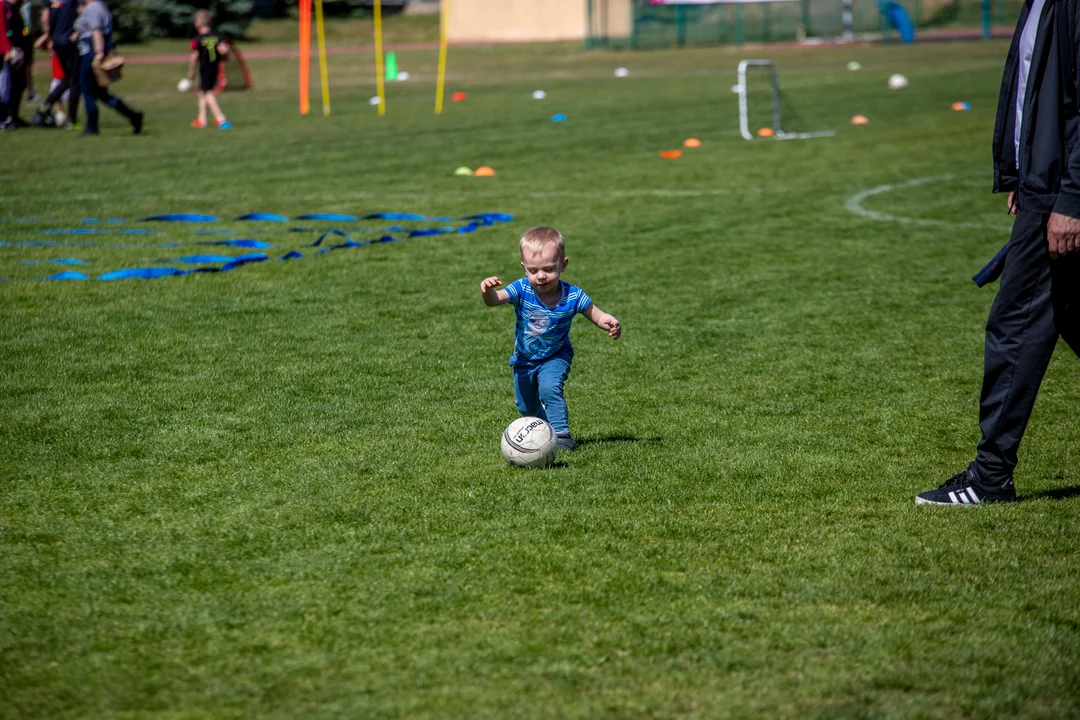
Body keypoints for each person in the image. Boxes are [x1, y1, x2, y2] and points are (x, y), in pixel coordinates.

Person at [916, 0, 1080, 506]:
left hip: (1060, 194)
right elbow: (1033, 93)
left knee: (1015, 324)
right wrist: (1020, 172)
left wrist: (1071, 197)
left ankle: (990, 475)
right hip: (1043, 186)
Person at [480, 226, 621, 450]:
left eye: (548, 269)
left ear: (563, 265)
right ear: (524, 268)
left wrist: (609, 322)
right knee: (525, 406)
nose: (541, 276)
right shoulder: (521, 289)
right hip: (524, 359)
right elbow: (494, 300)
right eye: (534, 270)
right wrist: (487, 291)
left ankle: (562, 436)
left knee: (549, 388)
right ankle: (545, 433)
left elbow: (595, 313)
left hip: (556, 355)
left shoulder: (573, 295)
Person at [74, 0, 142, 136]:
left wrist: (98, 54)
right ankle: (133, 116)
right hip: (93, 51)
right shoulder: (99, 6)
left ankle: (92, 127)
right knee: (102, 94)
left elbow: (96, 31)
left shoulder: (93, 7)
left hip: (91, 54)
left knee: (87, 91)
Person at [34, 0, 80, 128]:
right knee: (75, 81)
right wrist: (79, 30)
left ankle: (46, 106)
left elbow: (45, 18)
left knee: (67, 78)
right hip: (69, 40)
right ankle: (72, 119)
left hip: (57, 41)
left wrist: (49, 37)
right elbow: (82, 10)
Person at [183, 9, 231, 129]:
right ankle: (202, 119)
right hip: (215, 68)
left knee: (208, 92)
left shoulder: (197, 39)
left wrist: (191, 72)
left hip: (204, 68)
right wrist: (225, 55)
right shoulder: (218, 36)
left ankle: (221, 119)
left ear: (198, 24)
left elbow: (194, 56)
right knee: (202, 92)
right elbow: (224, 51)